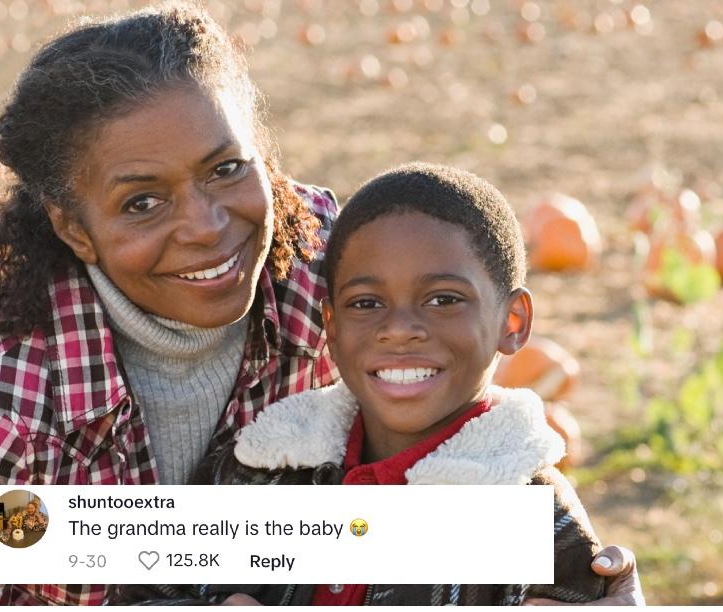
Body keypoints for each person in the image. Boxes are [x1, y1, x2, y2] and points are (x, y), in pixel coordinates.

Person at [0, 1, 641, 606]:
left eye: (227, 168)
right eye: (141, 204)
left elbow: (456, 401)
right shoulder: (4, 410)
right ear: (74, 226)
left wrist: (575, 574)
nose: (207, 227)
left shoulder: (330, 277)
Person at [123, 163, 623, 605]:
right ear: (333, 330)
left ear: (512, 323)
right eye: (367, 303)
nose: (400, 328)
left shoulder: (534, 523)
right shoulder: (258, 467)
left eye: (443, 299)